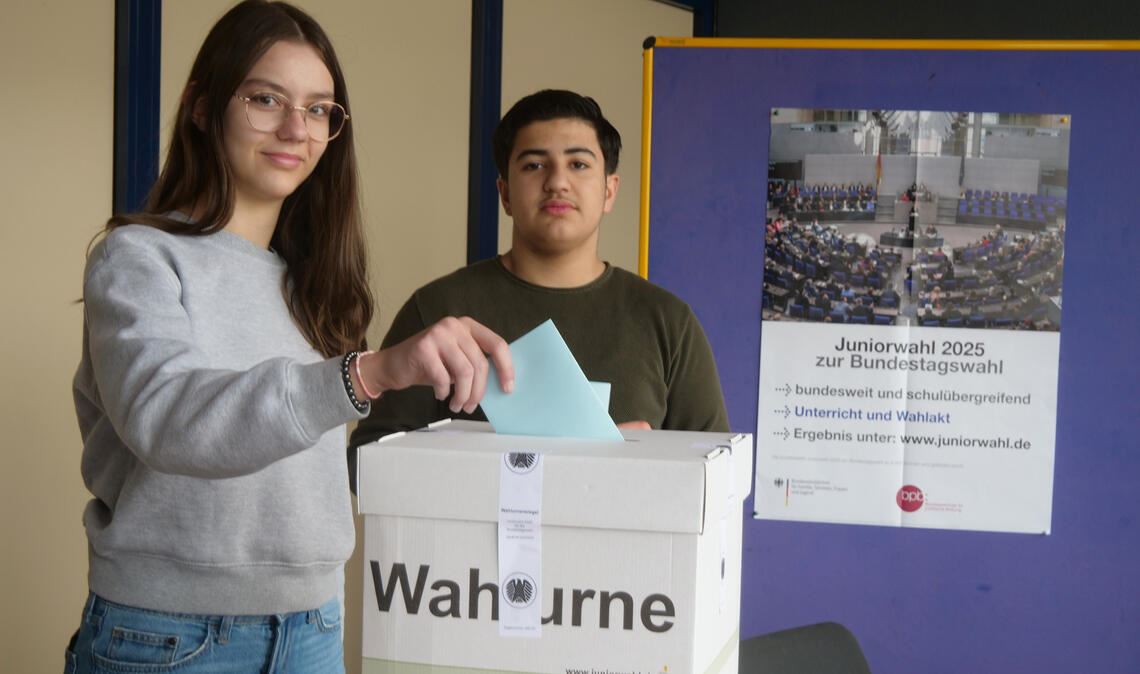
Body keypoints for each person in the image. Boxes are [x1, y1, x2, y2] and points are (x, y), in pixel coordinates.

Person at [64, 3, 512, 672]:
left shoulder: (316, 287)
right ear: (201, 106)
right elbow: (166, 418)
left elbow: (310, 470)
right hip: (168, 636)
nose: (294, 128)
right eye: (265, 98)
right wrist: (363, 374)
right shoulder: (139, 259)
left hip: (312, 628)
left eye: (318, 109)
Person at [349, 90, 729, 466]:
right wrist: (541, 470)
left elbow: (717, 477)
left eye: (578, 164)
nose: (557, 182)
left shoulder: (668, 322)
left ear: (610, 190)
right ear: (505, 194)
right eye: (534, 165)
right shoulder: (438, 310)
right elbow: (364, 465)